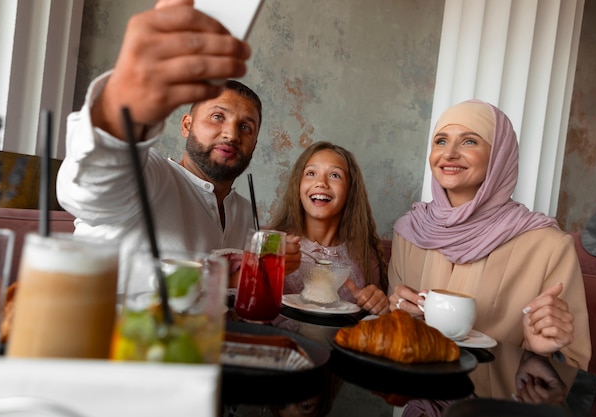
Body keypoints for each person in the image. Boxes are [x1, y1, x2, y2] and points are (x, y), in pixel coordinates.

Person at [56, 0, 300, 292]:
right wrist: (122, 102)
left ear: (255, 144)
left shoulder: (245, 213)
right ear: (186, 125)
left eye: (245, 127)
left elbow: (222, 294)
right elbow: (89, 190)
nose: (231, 134)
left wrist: (270, 265)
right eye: (217, 117)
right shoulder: (151, 178)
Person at [387, 100, 591, 369]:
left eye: (469, 141)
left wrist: (539, 352)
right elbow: (390, 340)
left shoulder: (549, 246)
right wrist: (396, 315)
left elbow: (573, 367)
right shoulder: (411, 231)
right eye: (441, 141)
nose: (449, 154)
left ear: (499, 156)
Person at [269, 142, 389, 315]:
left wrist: (380, 308)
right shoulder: (274, 244)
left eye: (334, 175)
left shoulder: (366, 258)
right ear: (298, 185)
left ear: (350, 189)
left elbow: (376, 321)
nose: (321, 183)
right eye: (311, 173)